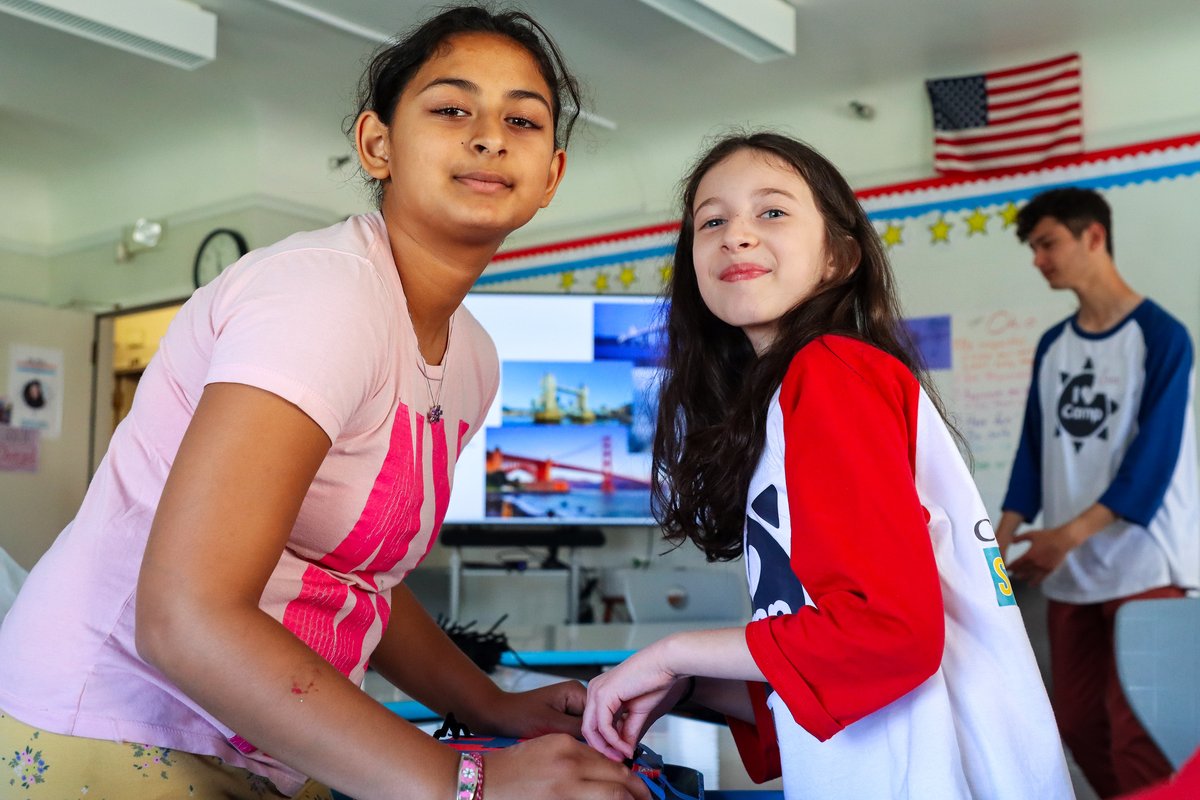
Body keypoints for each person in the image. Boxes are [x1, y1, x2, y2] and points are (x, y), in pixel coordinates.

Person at [0, 7, 650, 800]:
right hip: (115, 727)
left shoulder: (473, 356)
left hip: (267, 737)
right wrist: (468, 781)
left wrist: (489, 706)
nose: (489, 135)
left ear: (551, 174)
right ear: (377, 144)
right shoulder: (322, 297)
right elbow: (184, 618)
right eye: (451, 108)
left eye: (523, 118)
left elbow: (362, 583)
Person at [580, 132, 1075, 799]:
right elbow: (829, 660)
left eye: (772, 212)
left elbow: (887, 634)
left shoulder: (829, 374)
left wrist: (672, 653)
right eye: (713, 221)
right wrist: (690, 684)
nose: (737, 236)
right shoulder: (798, 391)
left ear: (839, 257)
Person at [995, 186, 1199, 798]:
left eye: (1047, 243)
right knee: (1079, 724)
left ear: (1094, 236)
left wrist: (1067, 536)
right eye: (1033, 248)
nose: (1038, 259)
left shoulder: (1163, 337)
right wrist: (998, 537)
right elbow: (1034, 449)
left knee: (1141, 731)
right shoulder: (1055, 346)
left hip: (1146, 568)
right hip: (1071, 569)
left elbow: (1153, 461)